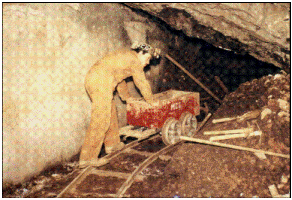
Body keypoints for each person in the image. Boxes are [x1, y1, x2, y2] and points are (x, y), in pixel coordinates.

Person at [79, 43, 161, 168]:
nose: (148, 63)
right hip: (100, 82)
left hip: (98, 80)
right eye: (148, 58)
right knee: (101, 119)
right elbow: (141, 82)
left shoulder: (126, 57)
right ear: (141, 53)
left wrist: (127, 97)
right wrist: (151, 100)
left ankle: (112, 145)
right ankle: (87, 159)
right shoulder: (134, 60)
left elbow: (119, 78)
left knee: (110, 111)